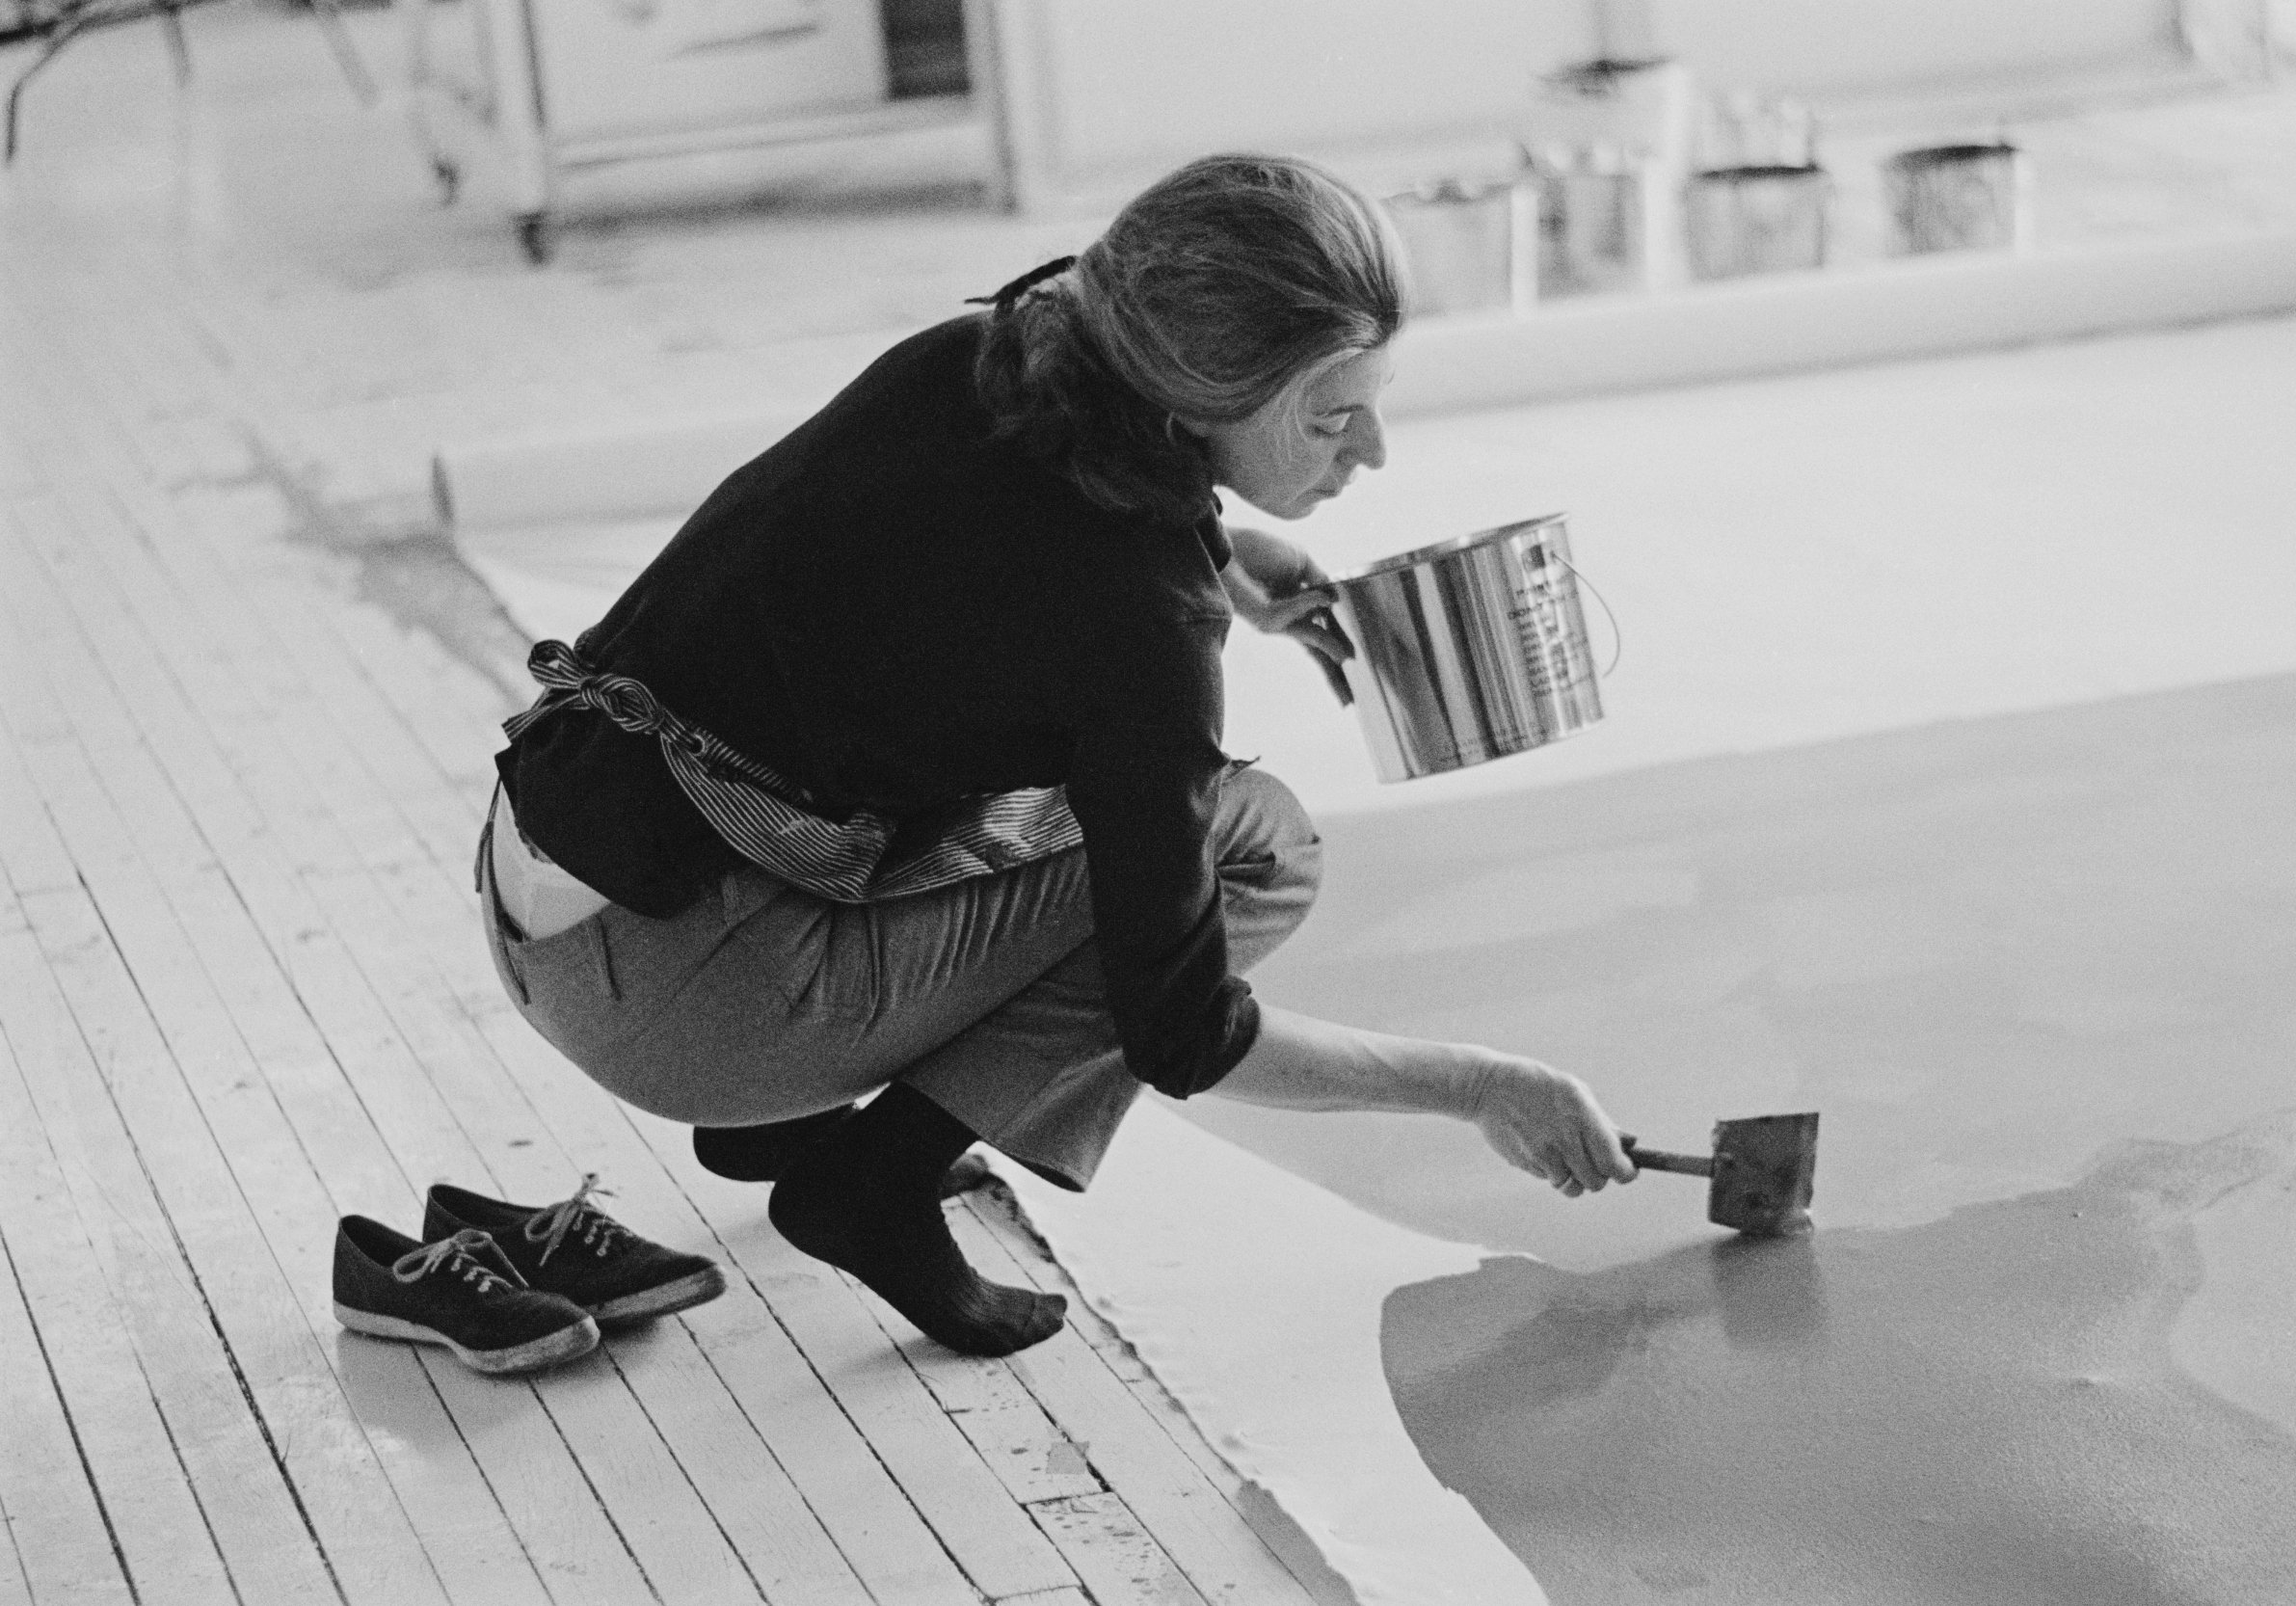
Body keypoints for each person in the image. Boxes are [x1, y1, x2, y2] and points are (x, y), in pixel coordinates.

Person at [478, 152, 1637, 1359]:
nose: (1374, 453)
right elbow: (1179, 1032)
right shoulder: (1143, 628)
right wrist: (1479, 1084)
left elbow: (1034, 527)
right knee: (1261, 848)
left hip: (551, 870)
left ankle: (788, 1118)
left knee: (1055, 791)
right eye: (1332, 417)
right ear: (1194, 398)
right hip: (677, 1000)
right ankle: (869, 1178)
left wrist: (1224, 556)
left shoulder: (972, 359)